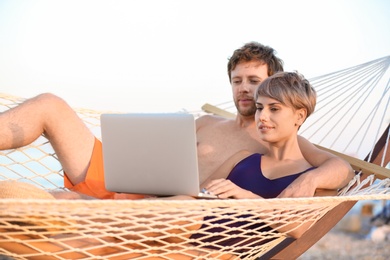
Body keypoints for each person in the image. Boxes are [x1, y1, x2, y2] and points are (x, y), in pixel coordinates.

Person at [0, 41, 354, 201]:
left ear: (271, 86)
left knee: (43, 203)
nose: (245, 90)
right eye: (237, 81)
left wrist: (311, 181)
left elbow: (341, 167)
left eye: (254, 82)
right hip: (117, 175)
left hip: (155, 209)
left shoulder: (272, 138)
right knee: (49, 104)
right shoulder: (204, 123)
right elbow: (153, 147)